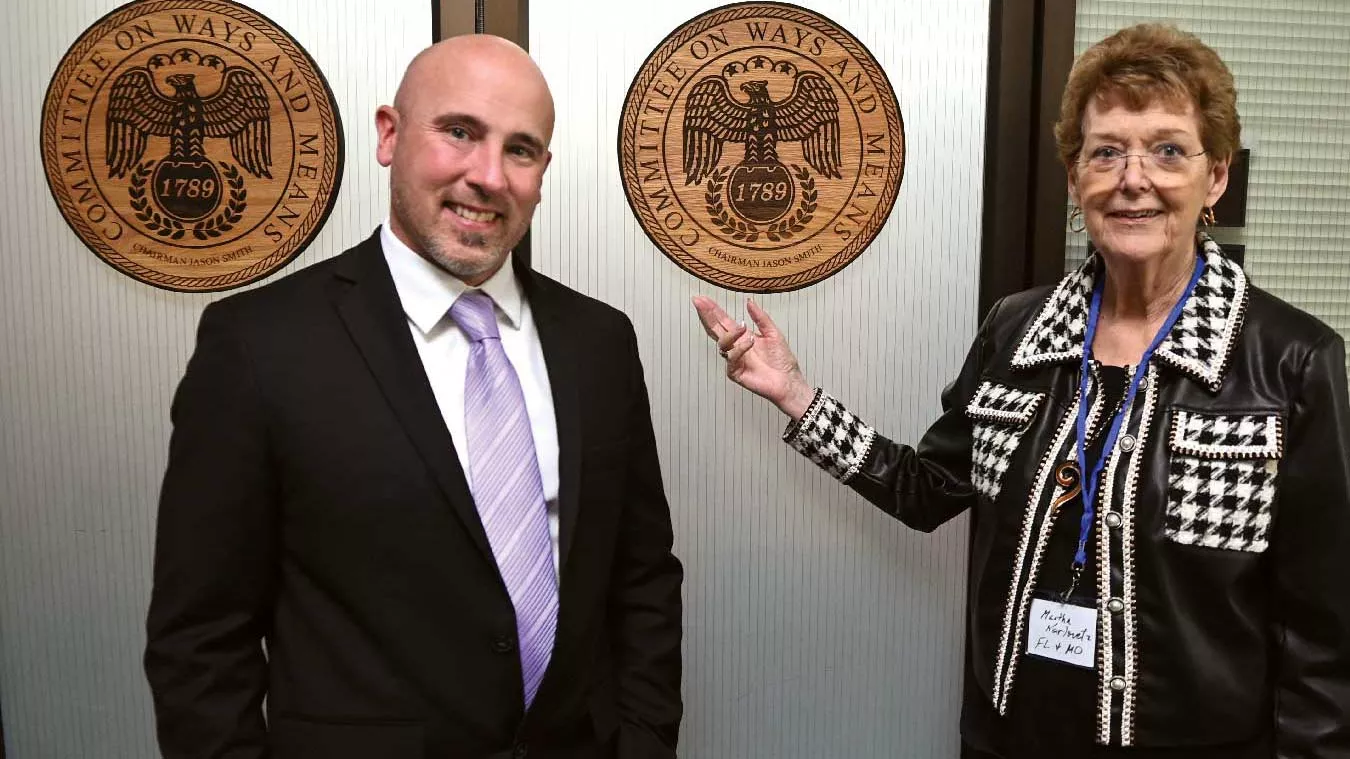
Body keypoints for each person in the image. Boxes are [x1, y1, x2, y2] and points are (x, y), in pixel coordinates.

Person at [694, 23, 1350, 758]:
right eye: (1106, 152)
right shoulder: (1018, 330)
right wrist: (798, 397)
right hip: (1013, 739)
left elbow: (1322, 633)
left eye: (1168, 149)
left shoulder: (1291, 360)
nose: (1134, 177)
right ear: (1076, 180)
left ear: (1217, 177)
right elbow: (927, 489)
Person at [145, 35, 682, 759]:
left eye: (520, 150)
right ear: (390, 136)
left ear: (543, 173)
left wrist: (645, 742)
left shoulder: (600, 341)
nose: (488, 175)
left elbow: (641, 574)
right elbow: (201, 639)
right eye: (459, 132)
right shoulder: (259, 344)